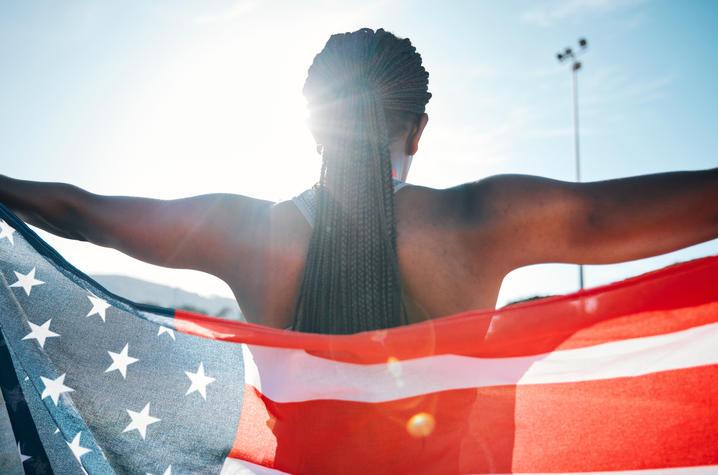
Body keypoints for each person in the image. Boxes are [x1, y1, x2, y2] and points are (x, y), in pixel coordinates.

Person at [1, 27, 716, 335]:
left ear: (314, 127)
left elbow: (79, 211)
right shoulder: (481, 219)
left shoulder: (242, 233)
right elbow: (620, 215)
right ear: (418, 130)